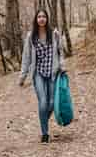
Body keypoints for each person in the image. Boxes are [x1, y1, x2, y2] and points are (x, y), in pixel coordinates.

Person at [19, 9, 65, 143]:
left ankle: (43, 119)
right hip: (38, 73)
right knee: (43, 102)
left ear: (47, 19)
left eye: (44, 16)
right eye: (39, 16)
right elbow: (26, 57)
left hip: (53, 72)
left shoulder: (54, 34)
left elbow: (60, 52)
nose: (41, 18)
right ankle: (45, 133)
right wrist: (22, 76)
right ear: (36, 19)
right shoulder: (30, 36)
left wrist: (62, 67)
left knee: (51, 103)